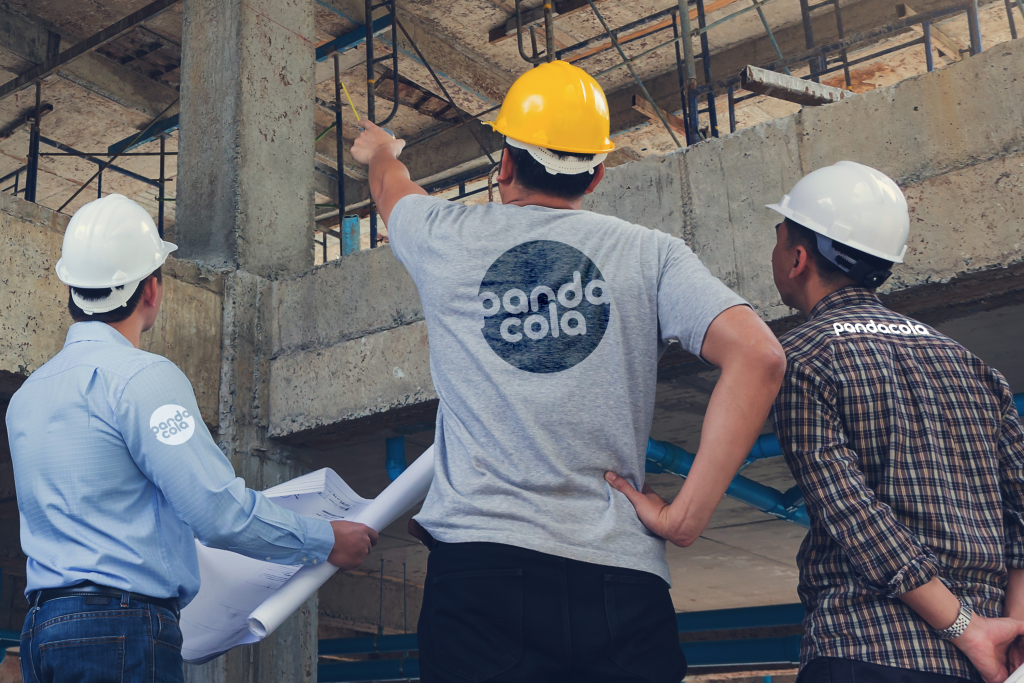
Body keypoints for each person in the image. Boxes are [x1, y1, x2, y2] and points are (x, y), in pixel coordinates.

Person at [350, 60, 786, 683]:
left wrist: (382, 151)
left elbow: (392, 189)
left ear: (504, 163)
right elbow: (760, 355)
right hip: (621, 581)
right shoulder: (651, 253)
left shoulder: (445, 235)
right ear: (598, 173)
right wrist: (684, 518)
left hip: (482, 577)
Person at [6, 194, 378, 682]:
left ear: (71, 289)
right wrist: (324, 539)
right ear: (153, 291)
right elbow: (217, 514)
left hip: (40, 634)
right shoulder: (145, 379)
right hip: (120, 630)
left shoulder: (27, 397)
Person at [766, 161, 1024, 683]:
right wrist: (1009, 632)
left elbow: (853, 513)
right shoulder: (972, 366)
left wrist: (968, 629)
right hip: (986, 666)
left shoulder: (800, 358)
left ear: (796, 258)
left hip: (865, 647)